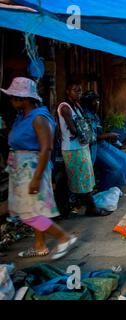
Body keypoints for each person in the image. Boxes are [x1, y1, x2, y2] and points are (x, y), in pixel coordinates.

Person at [1, 77, 77, 259]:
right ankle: (40, 245)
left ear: (25, 99)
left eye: (14, 98)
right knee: (34, 209)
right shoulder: (23, 117)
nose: (11, 101)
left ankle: (64, 237)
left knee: (28, 213)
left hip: (32, 169)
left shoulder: (38, 118)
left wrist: (36, 178)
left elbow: (46, 148)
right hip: (22, 168)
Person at [57, 80, 110, 216]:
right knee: (81, 179)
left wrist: (87, 132)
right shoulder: (65, 107)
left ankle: (71, 208)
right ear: (68, 91)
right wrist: (89, 133)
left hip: (82, 147)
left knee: (83, 179)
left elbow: (82, 126)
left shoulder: (77, 106)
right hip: (72, 149)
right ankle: (91, 208)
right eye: (75, 90)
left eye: (80, 90)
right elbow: (74, 130)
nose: (78, 93)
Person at [81, 91, 126, 191]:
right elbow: (91, 137)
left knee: (125, 157)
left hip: (102, 144)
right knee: (115, 168)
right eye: (95, 101)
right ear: (89, 102)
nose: (97, 103)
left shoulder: (94, 115)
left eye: (97, 100)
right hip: (94, 147)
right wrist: (108, 135)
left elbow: (99, 130)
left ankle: (121, 183)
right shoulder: (85, 116)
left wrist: (109, 134)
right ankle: (105, 190)